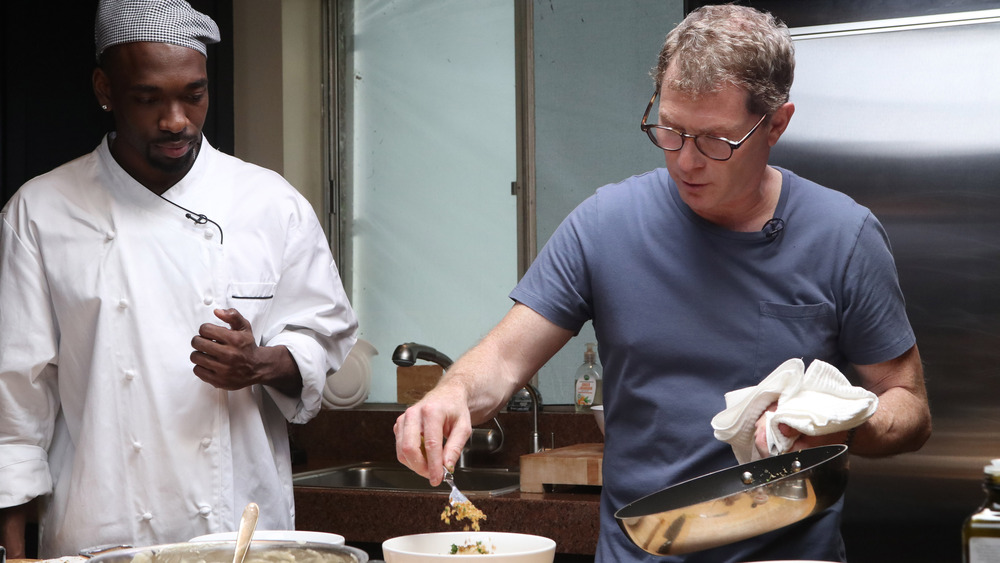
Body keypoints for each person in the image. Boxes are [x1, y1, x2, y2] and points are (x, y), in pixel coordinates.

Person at [394, 5, 930, 562]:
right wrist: (452, 392)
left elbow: (908, 406)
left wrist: (836, 427)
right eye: (671, 130)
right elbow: (504, 359)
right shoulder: (606, 223)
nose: (686, 161)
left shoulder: (843, 235)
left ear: (776, 124)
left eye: (716, 141)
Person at [0, 0, 357, 557]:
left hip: (240, 533)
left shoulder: (268, 203)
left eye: (194, 95)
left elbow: (326, 337)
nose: (176, 120)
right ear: (105, 88)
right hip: (100, 527)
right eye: (148, 99)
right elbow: (16, 399)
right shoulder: (41, 212)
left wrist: (261, 362)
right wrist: (13, 550)